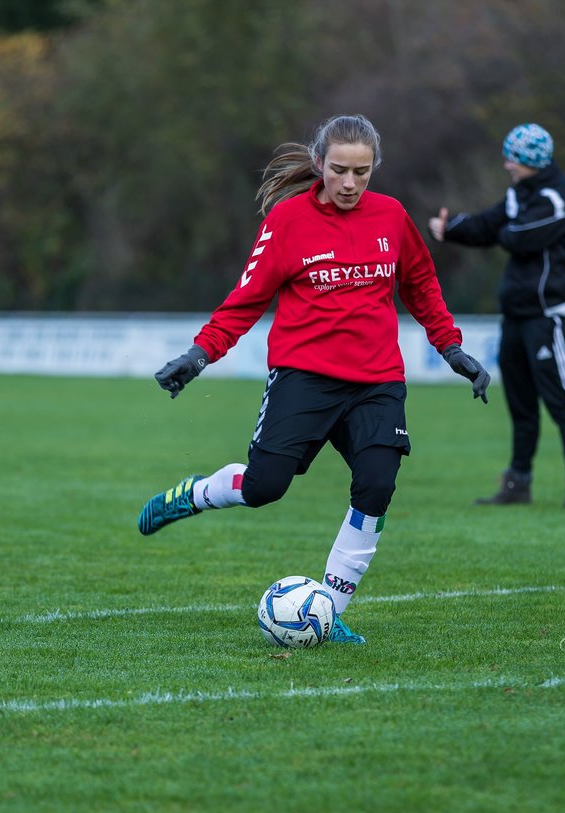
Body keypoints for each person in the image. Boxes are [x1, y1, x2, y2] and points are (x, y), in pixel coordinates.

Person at [136, 114, 490, 644]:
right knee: (263, 488)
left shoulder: (391, 216)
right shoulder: (287, 221)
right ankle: (197, 494)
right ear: (320, 164)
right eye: (341, 170)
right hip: (303, 377)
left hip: (377, 382)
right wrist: (199, 353)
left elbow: (420, 284)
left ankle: (328, 608)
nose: (350, 184)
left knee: (376, 484)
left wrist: (451, 347)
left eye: (363, 173)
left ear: (375, 169)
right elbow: (246, 300)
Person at [428, 122, 565, 508]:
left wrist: (498, 228)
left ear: (532, 160)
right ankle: (518, 483)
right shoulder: (520, 192)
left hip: (549, 314)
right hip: (516, 314)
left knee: (560, 398)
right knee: (520, 403)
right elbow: (490, 223)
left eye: (513, 157)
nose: (506, 164)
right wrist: (451, 228)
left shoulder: (556, 198)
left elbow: (519, 235)